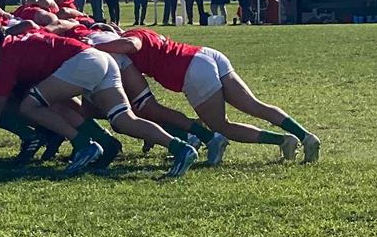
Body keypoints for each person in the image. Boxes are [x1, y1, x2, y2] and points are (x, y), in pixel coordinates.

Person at [0, 24, 200, 179]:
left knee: (29, 105)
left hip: (85, 61)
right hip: (102, 59)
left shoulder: (8, 58)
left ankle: (84, 144)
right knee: (125, 120)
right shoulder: (18, 41)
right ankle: (181, 148)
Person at [94, 27, 319, 163]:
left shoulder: (130, 37)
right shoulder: (142, 31)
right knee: (255, 105)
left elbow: (131, 44)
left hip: (190, 69)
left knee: (221, 127)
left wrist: (97, 50)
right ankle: (305, 135)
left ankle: (282, 140)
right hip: (205, 54)